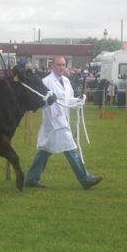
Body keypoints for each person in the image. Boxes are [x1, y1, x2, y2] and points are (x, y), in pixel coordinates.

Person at [25, 56, 103, 190]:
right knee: (71, 149)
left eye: (63, 65)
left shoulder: (66, 81)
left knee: (44, 151)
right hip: (54, 122)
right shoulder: (46, 82)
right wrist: (55, 119)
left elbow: (67, 100)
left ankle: (31, 179)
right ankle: (85, 179)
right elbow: (44, 102)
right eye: (58, 65)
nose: (61, 67)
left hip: (62, 121)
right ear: (52, 66)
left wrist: (78, 100)